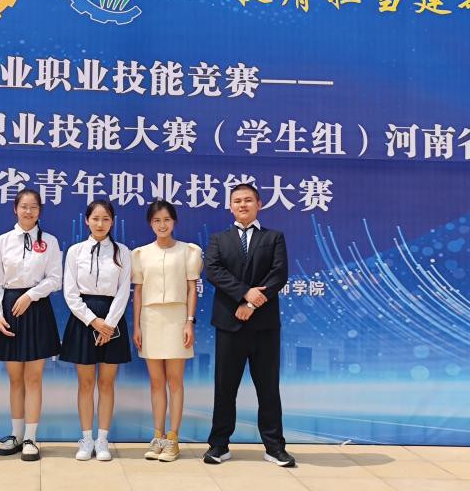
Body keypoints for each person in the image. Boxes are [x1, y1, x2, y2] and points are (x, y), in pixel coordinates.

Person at [202, 184, 294, 467]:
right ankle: (219, 445)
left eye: (248, 200)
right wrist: (244, 293)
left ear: (259, 204)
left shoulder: (273, 237)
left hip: (264, 326)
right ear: (230, 206)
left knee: (268, 389)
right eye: (237, 201)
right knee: (224, 388)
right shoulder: (219, 239)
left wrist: (252, 304)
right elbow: (213, 271)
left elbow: (279, 274)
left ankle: (274, 447)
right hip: (229, 324)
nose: (243, 205)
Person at [0, 189, 63, 461]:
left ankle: (31, 437)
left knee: (33, 377)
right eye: (24, 206)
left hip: (37, 307)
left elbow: (55, 279)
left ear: (40, 210)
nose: (28, 211)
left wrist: (31, 295)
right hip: (9, 310)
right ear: (15, 209)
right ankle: (16, 434)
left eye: (33, 207)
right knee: (15, 378)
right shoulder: (2, 241)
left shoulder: (50, 241)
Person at [60, 199, 131, 462]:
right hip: (83, 319)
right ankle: (86, 439)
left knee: (106, 383)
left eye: (106, 219)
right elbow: (70, 292)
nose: (100, 224)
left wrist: (108, 324)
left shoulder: (122, 252)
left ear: (112, 222)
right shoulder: (75, 251)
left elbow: (124, 291)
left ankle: (102, 440)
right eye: (95, 218)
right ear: (86, 221)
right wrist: (93, 321)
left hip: (113, 319)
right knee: (86, 383)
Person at [131, 200, 201, 462]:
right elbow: (138, 292)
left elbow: (192, 289)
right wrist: (136, 325)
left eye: (166, 220)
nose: (162, 225)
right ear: (150, 224)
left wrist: (189, 321)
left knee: (175, 381)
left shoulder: (188, 251)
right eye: (157, 221)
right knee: (156, 382)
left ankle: (173, 439)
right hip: (150, 319)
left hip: (177, 318)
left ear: (174, 222)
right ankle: (158, 437)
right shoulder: (140, 254)